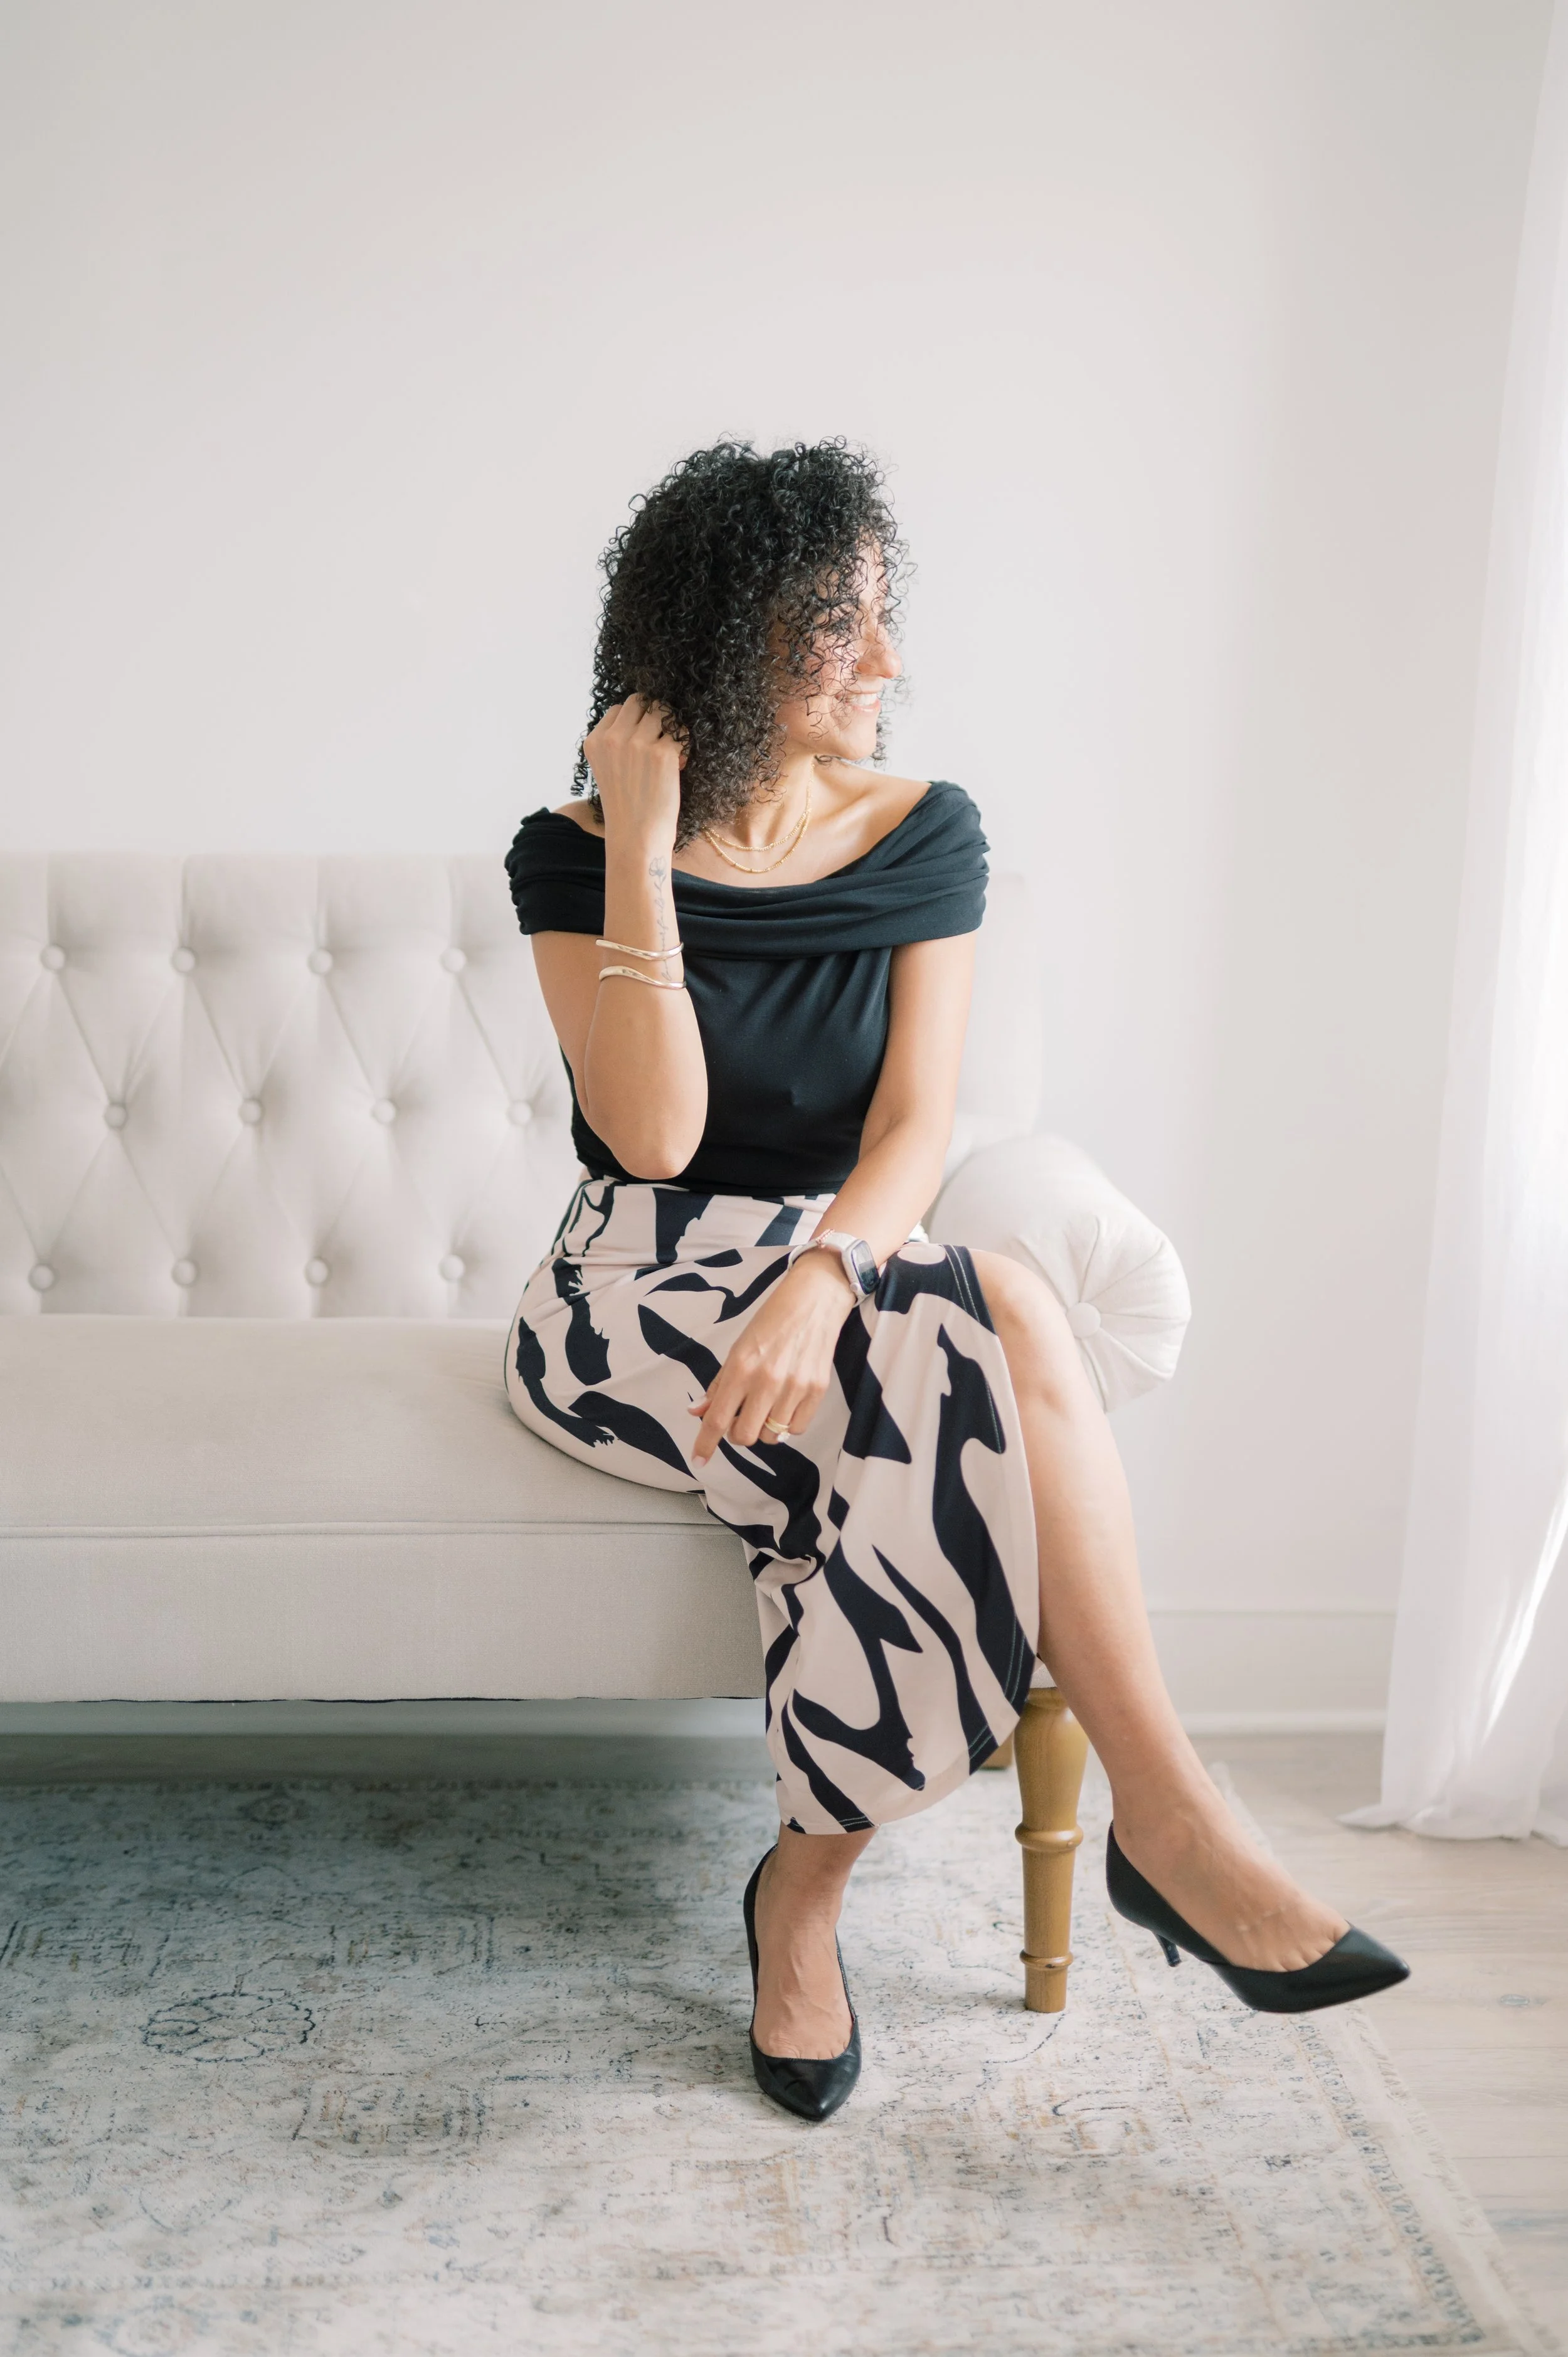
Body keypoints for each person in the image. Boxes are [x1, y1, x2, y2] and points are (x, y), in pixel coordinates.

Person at [503, 440, 1406, 2123]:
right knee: (975, 1336)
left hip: (840, 1261)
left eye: (882, 615)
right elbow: (654, 1135)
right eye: (838, 624)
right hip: (630, 1292)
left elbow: (916, 1122)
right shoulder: (571, 852)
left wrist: (824, 1273)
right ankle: (1087, 1840)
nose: (888, 661)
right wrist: (640, 848)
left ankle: (1023, 1845)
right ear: (731, 638)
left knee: (983, 1311)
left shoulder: (925, 834)